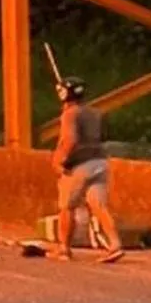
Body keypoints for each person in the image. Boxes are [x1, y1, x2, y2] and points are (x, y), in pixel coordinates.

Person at [51, 76, 124, 263]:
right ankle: (115, 244)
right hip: (100, 162)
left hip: (79, 165)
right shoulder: (95, 113)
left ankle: (64, 249)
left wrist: (59, 160)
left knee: (67, 207)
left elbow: (70, 139)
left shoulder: (69, 114)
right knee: (98, 205)